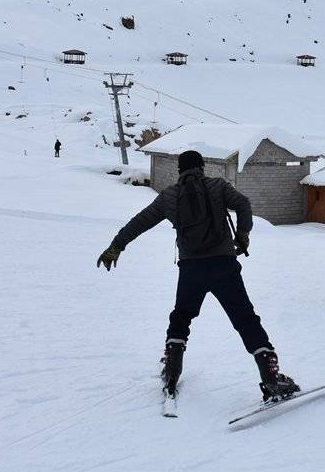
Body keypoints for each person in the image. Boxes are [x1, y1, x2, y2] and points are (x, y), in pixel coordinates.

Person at [95, 149, 299, 402]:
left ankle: (171, 371)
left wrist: (116, 247)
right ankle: (271, 377)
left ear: (180, 170)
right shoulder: (218, 186)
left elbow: (140, 222)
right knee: (245, 319)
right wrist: (243, 235)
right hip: (224, 265)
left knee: (181, 316)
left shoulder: (169, 196)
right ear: (202, 167)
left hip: (191, 269)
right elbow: (243, 204)